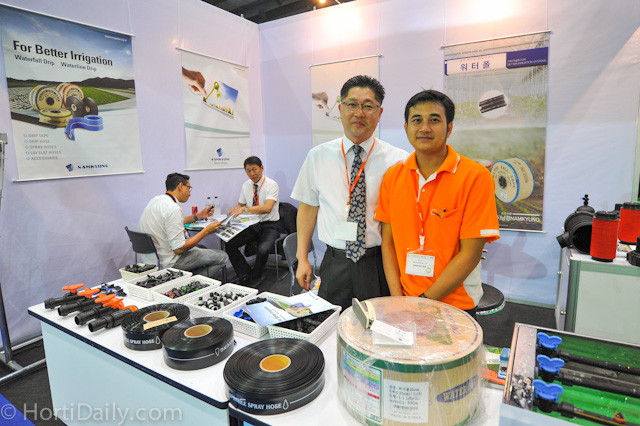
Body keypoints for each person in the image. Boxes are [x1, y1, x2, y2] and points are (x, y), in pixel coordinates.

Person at [375, 90, 500, 317]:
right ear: (406, 128)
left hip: (456, 303)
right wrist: (398, 299)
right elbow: (388, 244)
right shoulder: (393, 177)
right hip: (405, 299)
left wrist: (423, 303)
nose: (424, 128)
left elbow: (471, 254)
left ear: (449, 128)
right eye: (417, 120)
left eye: (434, 120)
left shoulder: (475, 177)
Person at [291, 75, 408, 311]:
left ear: (379, 113)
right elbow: (308, 208)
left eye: (368, 106)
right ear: (340, 109)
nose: (359, 113)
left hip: (379, 262)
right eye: (352, 104)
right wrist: (302, 257)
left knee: (379, 324)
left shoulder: (398, 160)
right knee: (333, 322)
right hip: (335, 262)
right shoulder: (318, 156)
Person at [138, 173, 228, 277]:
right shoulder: (173, 208)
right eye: (189, 188)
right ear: (181, 186)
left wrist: (199, 215)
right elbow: (179, 249)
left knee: (201, 247)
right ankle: (193, 281)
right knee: (223, 257)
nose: (190, 194)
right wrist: (206, 231)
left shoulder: (157, 201)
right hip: (169, 262)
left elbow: (173, 222)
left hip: (152, 260)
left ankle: (191, 276)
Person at [226, 156, 281, 286]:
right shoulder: (246, 185)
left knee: (262, 250)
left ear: (262, 168)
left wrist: (245, 209)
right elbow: (241, 204)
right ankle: (245, 274)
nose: (252, 173)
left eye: (254, 169)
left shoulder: (271, 184)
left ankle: (256, 277)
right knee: (230, 244)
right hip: (253, 223)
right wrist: (235, 209)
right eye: (248, 171)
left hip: (270, 225)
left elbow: (267, 208)